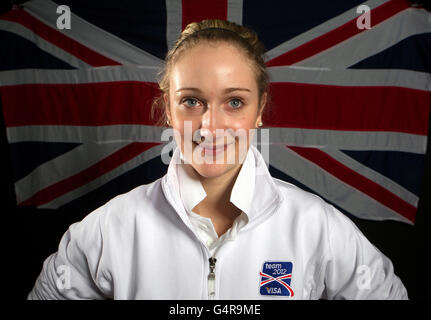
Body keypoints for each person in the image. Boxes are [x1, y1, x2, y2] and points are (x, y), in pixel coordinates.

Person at [27, 19, 408, 300]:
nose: (210, 126)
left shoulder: (317, 227)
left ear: (260, 110)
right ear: (168, 112)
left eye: (235, 102)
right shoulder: (109, 229)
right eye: (191, 101)